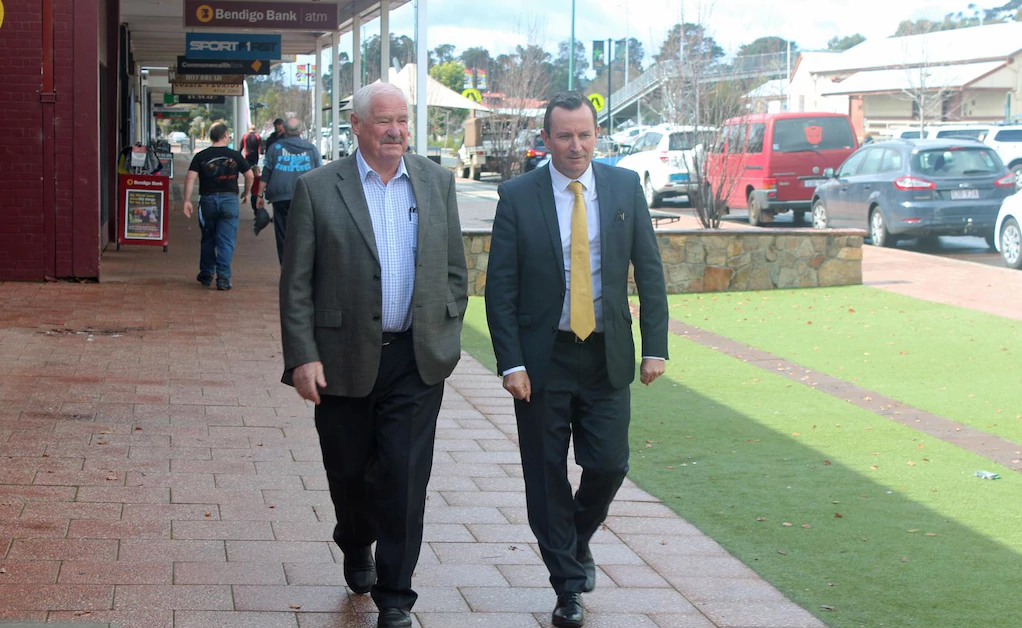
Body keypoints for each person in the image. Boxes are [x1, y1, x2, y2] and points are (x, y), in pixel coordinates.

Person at [279, 82, 467, 628]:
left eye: (402, 120)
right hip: (340, 358)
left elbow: (454, 268)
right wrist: (303, 356)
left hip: (415, 358)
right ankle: (356, 538)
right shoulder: (318, 187)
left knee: (405, 478)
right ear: (357, 125)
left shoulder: (436, 182)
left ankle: (396, 596)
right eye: (383, 120)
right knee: (349, 474)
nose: (395, 130)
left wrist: (446, 324)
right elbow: (296, 284)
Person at [484, 91, 669, 628]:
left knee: (609, 464)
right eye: (564, 135)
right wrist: (511, 363)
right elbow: (501, 287)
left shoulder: (624, 187)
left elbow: (649, 270)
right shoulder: (517, 196)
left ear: (596, 136)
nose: (575, 145)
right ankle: (567, 587)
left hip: (607, 354)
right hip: (543, 360)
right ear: (545, 139)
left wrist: (655, 346)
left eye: (584, 134)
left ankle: (575, 537)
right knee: (545, 475)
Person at [183, 121, 253, 291]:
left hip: (208, 201)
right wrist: (246, 193)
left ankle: (206, 273)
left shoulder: (201, 156)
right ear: (225, 135)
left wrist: (186, 200)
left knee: (208, 238)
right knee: (226, 241)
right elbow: (250, 175)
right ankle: (223, 278)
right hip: (229, 201)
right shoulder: (235, 155)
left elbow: (190, 178)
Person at [258, 116, 322, 263]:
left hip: (280, 198)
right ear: (302, 130)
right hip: (305, 198)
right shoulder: (311, 149)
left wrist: (259, 195)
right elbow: (320, 174)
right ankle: (301, 265)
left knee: (283, 234)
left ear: (284, 130)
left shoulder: (275, 148)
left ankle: (286, 266)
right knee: (304, 232)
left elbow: (266, 173)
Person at [240, 125, 263, 209]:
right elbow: (260, 147)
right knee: (256, 173)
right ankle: (255, 188)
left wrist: (239, 154)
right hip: (255, 157)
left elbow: (241, 146)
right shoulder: (257, 136)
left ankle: (248, 189)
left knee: (248, 174)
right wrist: (261, 153)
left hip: (247, 156)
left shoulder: (245, 136)